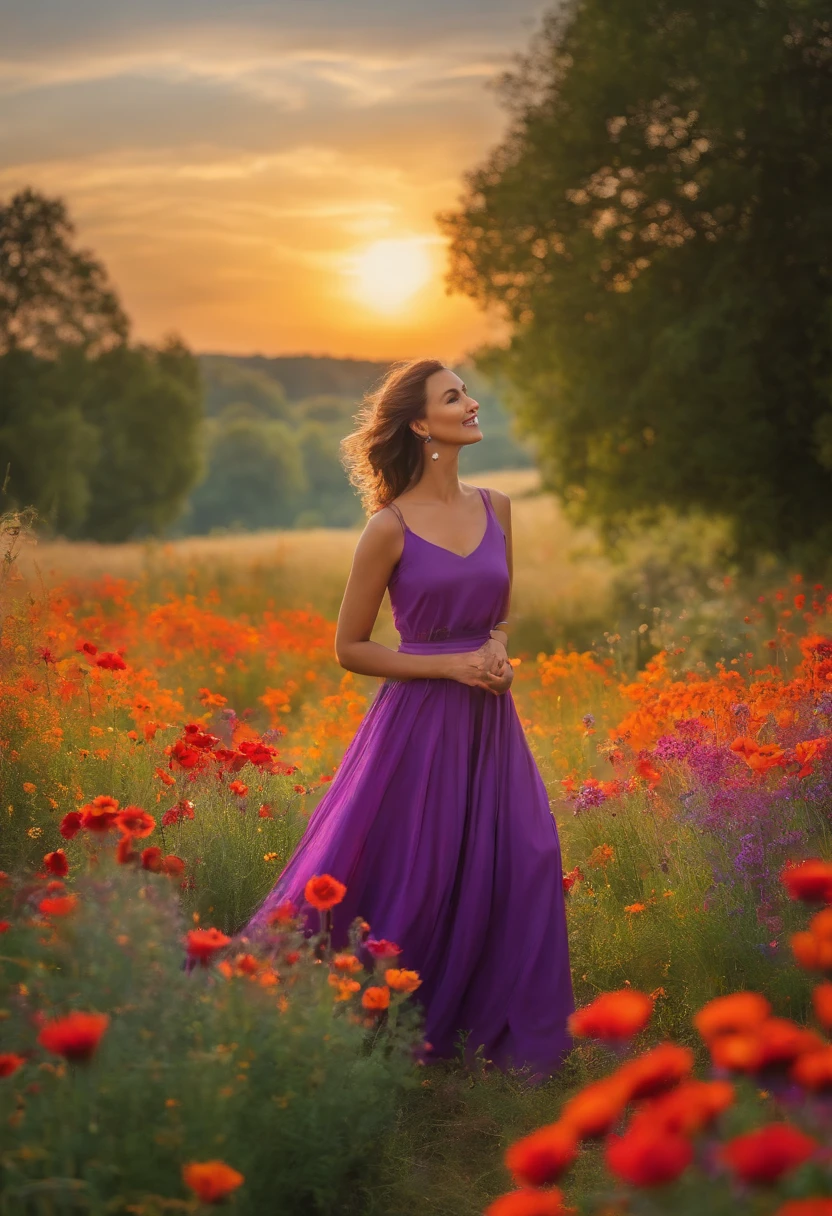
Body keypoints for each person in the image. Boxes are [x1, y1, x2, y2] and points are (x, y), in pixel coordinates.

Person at [241, 357, 575, 1081]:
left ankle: (506, 1031)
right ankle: (364, 1016)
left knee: (526, 858)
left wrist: (494, 649)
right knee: (415, 875)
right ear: (422, 424)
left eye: (467, 392)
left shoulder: (498, 507)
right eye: (454, 397)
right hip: (418, 724)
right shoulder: (387, 528)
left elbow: (499, 610)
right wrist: (450, 665)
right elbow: (350, 648)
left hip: (490, 720)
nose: (472, 403)